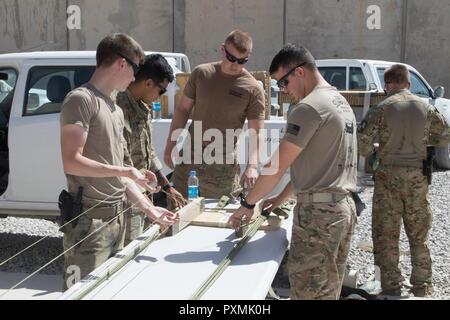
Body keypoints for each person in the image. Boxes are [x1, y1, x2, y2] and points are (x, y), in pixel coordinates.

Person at [229, 44, 358, 300]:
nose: (284, 91)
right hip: (341, 209)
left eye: (283, 82)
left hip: (319, 217)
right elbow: (316, 166)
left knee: (308, 293)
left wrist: (247, 204)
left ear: (300, 72)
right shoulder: (338, 101)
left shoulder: (308, 108)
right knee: (326, 293)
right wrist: (279, 199)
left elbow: (276, 167)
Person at [60, 34, 178, 290]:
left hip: (117, 221)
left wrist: (150, 209)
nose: (135, 78)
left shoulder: (115, 108)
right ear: (122, 64)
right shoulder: (81, 100)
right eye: (135, 69)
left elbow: (122, 176)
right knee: (83, 294)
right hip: (89, 225)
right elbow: (72, 162)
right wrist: (126, 170)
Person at [357, 64, 450, 297]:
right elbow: (445, 135)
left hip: (387, 178)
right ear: (408, 83)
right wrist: (422, 140)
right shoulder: (425, 108)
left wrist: (376, 152)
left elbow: (361, 142)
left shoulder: (381, 108)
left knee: (385, 235)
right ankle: (422, 285)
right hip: (418, 177)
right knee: (419, 234)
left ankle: (390, 285)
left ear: (387, 85)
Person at [163, 29, 266, 199]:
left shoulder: (252, 88)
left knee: (218, 217)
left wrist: (252, 166)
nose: (235, 65)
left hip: (222, 167)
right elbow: (183, 110)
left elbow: (257, 131)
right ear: (222, 49)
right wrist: (170, 144)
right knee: (178, 209)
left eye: (242, 61)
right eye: (231, 58)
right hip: (190, 159)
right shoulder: (202, 73)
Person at [116, 54, 187, 245]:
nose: (160, 96)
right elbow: (120, 163)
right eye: (161, 90)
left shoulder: (143, 107)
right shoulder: (117, 108)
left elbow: (149, 152)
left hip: (142, 198)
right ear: (148, 83)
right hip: (123, 200)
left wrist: (167, 186)